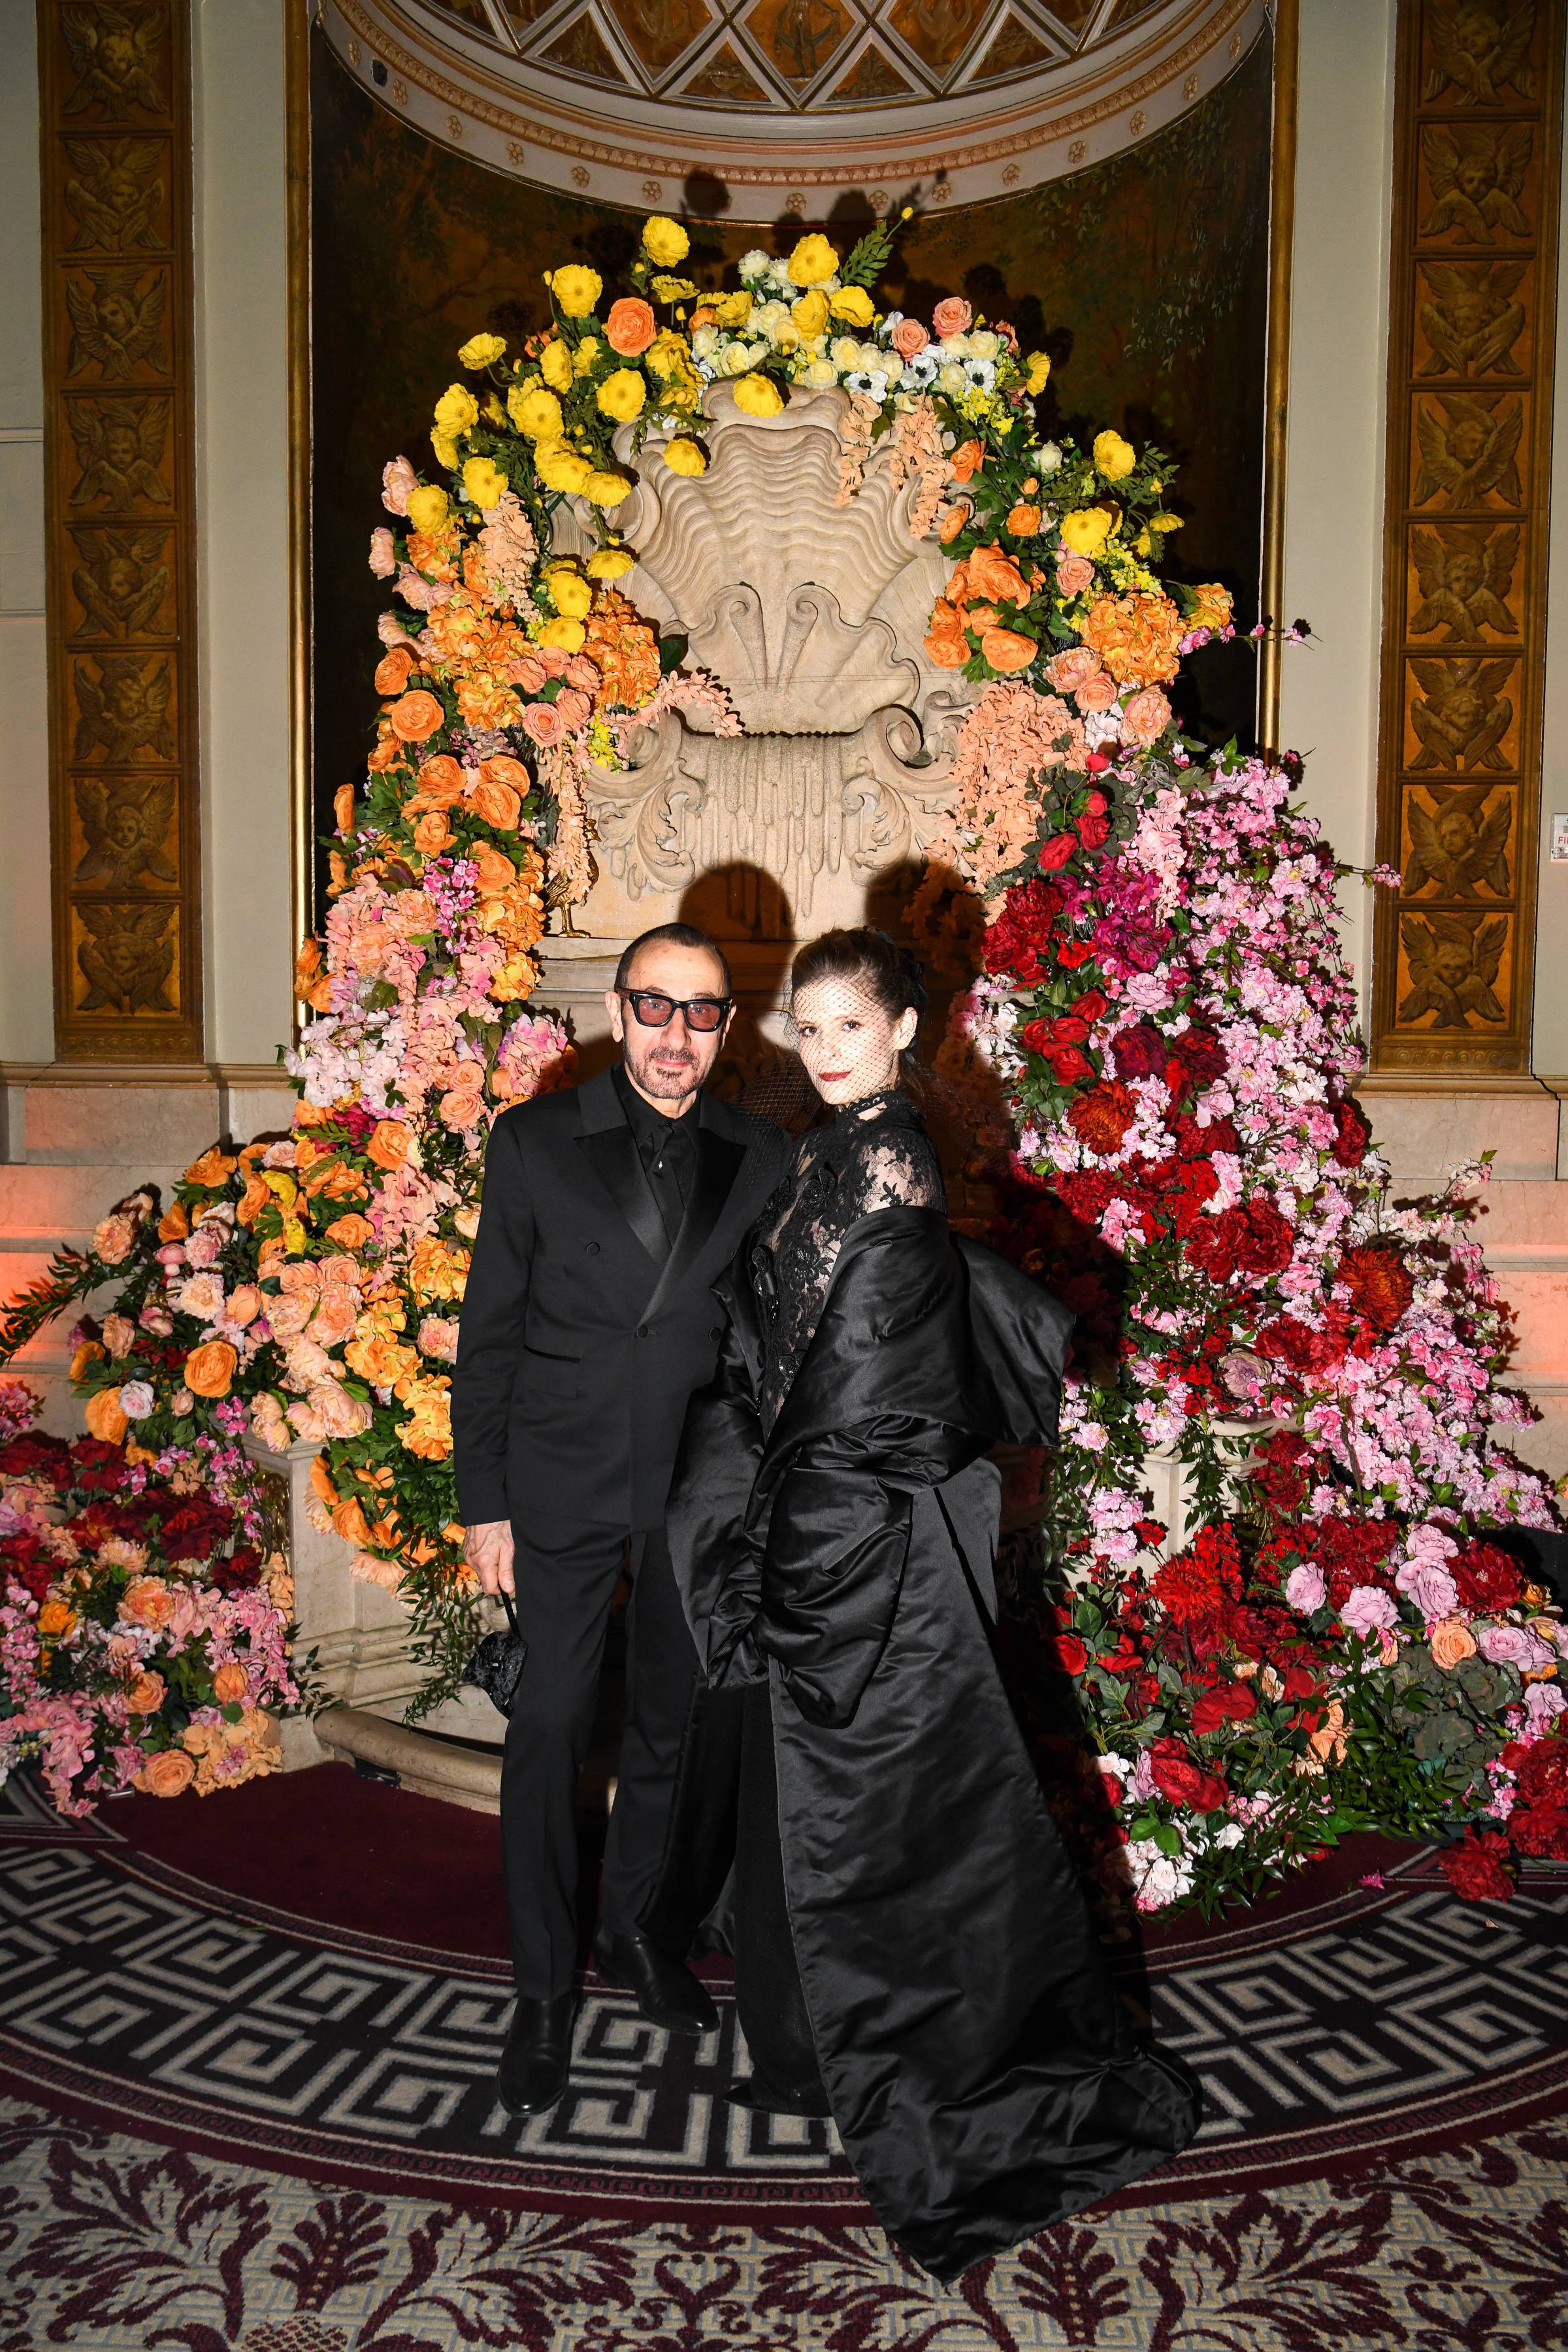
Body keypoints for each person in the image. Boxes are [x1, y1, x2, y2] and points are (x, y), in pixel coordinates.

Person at [643, 927, 1200, 2283]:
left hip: (865, 1542)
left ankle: (902, 2065)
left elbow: (872, 1403)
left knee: (890, 1813)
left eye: (852, 1025)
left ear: (904, 1030)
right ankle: (807, 2047)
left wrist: (788, 1539)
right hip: (802, 1509)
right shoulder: (823, 1152)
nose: (826, 1049)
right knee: (819, 1798)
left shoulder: (892, 1162)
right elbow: (768, 1336)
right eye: (809, 1025)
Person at [453, 921, 789, 2117]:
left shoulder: (762, 1152)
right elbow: (488, 1335)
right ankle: (543, 1990)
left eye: (701, 1013)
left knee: (667, 1729)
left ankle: (636, 1932)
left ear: (727, 1028)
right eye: (655, 1006)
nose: (674, 1036)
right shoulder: (536, 1139)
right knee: (549, 1727)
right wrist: (484, 1503)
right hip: (559, 1477)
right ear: (616, 1008)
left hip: (695, 1487)